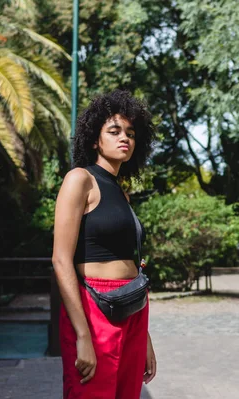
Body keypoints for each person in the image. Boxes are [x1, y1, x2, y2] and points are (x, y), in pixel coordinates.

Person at [52, 89, 157, 399]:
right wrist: (82, 334)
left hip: (133, 307)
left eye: (130, 133)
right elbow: (60, 259)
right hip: (93, 308)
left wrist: (145, 336)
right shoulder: (80, 179)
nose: (124, 137)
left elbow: (131, 263)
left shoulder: (121, 194)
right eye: (114, 131)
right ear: (95, 140)